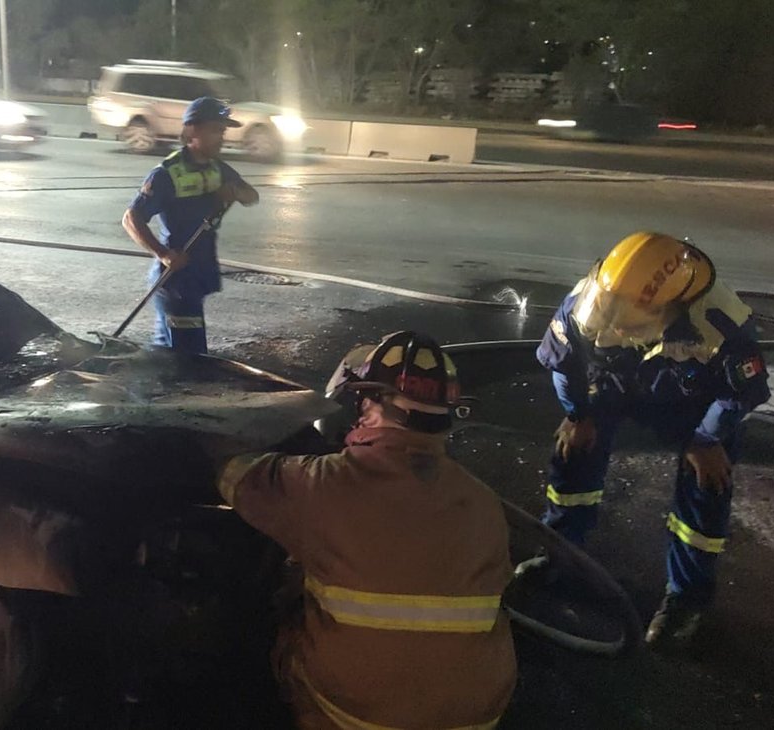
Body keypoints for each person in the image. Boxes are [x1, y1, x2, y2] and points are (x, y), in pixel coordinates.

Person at [217, 331, 516, 730]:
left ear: (372, 405)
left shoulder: (323, 483)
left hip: (359, 714)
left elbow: (236, 477)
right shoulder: (484, 502)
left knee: (280, 617)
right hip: (476, 714)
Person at [533, 231, 771, 649]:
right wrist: (578, 414)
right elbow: (564, 363)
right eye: (610, 309)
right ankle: (560, 555)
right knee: (573, 451)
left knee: (707, 482)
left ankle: (687, 600)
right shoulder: (586, 300)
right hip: (617, 382)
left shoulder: (721, 325)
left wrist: (705, 440)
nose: (613, 324)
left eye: (628, 315)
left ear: (672, 307)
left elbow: (737, 395)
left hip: (693, 405)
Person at [121, 96, 259, 354]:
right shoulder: (167, 173)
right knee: (188, 358)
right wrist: (163, 254)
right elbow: (131, 218)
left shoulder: (218, 169)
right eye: (215, 130)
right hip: (177, 279)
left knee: (171, 352)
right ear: (192, 130)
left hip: (198, 274)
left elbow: (252, 196)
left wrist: (234, 193)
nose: (221, 138)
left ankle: (147, 373)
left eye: (223, 131)